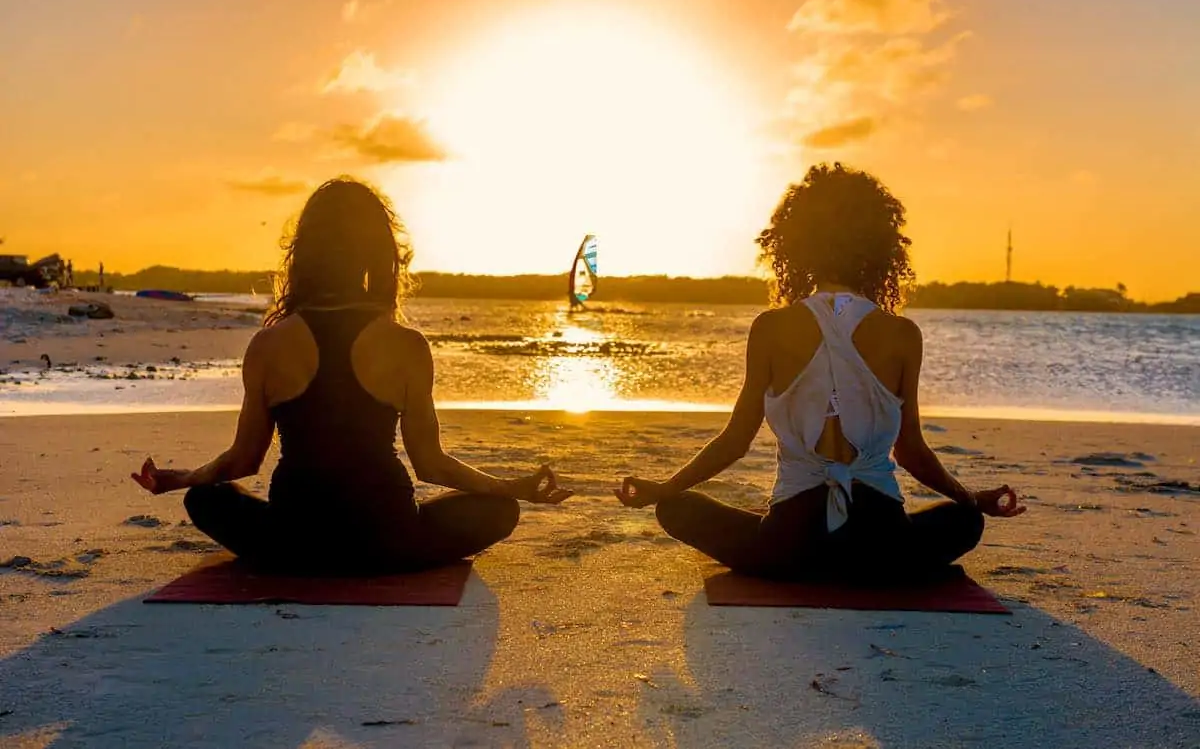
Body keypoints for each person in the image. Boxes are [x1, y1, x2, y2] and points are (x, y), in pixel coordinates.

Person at [132, 177, 572, 574]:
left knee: (205, 498)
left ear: (305, 253)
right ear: (377, 254)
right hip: (389, 543)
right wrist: (509, 487)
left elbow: (242, 461)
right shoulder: (406, 344)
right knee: (500, 510)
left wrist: (183, 478)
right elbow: (430, 464)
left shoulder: (269, 345)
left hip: (294, 544)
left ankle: (292, 549)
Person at [616, 163, 1024, 582]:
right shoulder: (902, 335)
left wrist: (664, 489)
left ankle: (800, 551)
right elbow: (911, 452)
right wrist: (972, 498)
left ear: (797, 244)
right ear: (881, 247)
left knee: (677, 508)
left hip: (789, 546)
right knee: (966, 521)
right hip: (883, 545)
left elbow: (735, 442)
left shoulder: (771, 327)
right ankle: (872, 563)